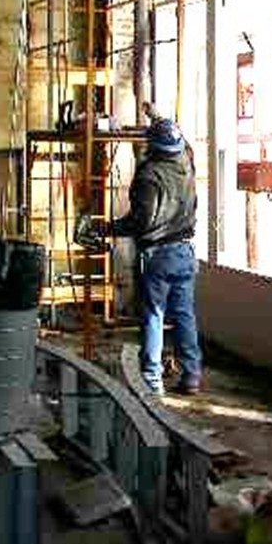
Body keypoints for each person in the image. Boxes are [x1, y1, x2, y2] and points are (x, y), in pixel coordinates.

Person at [78, 111, 202, 396]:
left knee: (153, 315)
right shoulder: (187, 162)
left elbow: (141, 222)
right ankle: (192, 375)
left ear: (152, 147)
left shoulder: (149, 176)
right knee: (184, 315)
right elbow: (184, 143)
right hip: (184, 250)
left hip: (157, 254)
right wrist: (160, 118)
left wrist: (107, 228)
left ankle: (151, 380)